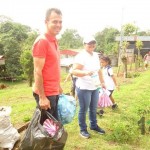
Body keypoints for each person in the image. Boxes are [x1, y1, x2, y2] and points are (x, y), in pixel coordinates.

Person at [72, 36, 105, 139]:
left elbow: (99, 70)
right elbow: (74, 71)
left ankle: (94, 126)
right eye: (89, 43)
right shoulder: (80, 56)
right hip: (84, 87)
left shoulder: (95, 55)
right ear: (84, 44)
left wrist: (102, 81)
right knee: (83, 109)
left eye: (93, 43)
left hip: (95, 86)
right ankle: (83, 130)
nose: (91, 45)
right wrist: (86, 72)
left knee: (93, 108)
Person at [32, 8, 63, 120]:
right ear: (46, 22)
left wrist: (58, 86)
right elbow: (37, 71)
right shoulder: (42, 41)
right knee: (46, 130)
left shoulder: (54, 40)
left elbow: (52, 67)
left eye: (60, 22)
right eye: (54, 21)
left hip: (53, 91)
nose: (58, 25)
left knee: (53, 127)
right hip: (46, 93)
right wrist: (42, 97)